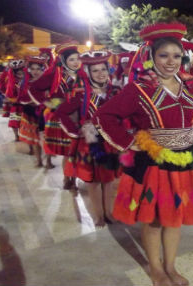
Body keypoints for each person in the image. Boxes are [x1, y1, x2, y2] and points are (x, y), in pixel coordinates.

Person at [94, 23, 193, 286]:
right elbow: (105, 115)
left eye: (176, 56)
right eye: (163, 55)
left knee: (174, 218)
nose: (170, 62)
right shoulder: (138, 89)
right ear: (152, 57)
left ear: (183, 58)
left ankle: (171, 267)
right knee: (154, 220)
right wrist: (129, 142)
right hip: (153, 165)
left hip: (188, 163)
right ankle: (156, 269)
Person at [55, 51, 121, 226]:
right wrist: (76, 131)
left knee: (108, 180)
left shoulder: (116, 92)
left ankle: (109, 212)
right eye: (95, 71)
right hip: (90, 141)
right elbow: (61, 112)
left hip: (110, 141)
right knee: (93, 182)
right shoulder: (81, 94)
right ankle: (99, 215)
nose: (101, 74)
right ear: (88, 73)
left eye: (103, 69)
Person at [29, 42, 82, 189]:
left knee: (77, 151)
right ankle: (67, 178)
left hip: (80, 116)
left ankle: (74, 178)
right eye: (72, 59)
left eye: (77, 58)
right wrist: (49, 103)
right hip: (63, 117)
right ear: (64, 60)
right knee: (68, 151)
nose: (76, 62)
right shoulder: (55, 74)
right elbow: (34, 88)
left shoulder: (83, 74)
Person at [18, 56, 47, 166]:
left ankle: (48, 160)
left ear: (43, 69)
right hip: (31, 113)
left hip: (45, 113)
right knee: (35, 139)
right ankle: (39, 160)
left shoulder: (47, 83)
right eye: (33, 69)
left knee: (47, 139)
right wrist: (35, 102)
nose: (35, 71)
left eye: (38, 69)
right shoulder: (26, 83)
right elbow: (21, 98)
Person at [0, 59, 26, 141]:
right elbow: (2, 85)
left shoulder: (28, 80)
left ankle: (24, 135)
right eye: (18, 73)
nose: (20, 74)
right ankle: (16, 136)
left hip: (26, 104)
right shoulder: (11, 81)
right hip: (15, 104)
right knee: (14, 122)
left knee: (25, 122)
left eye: (22, 72)